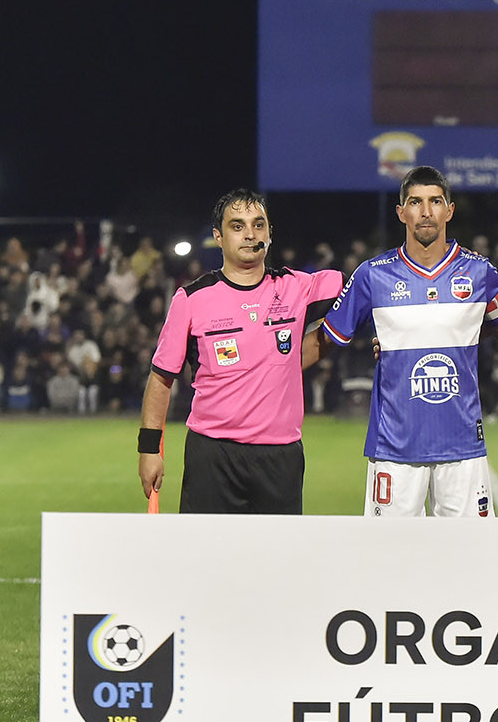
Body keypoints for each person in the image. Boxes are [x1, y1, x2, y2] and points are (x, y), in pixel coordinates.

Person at [313, 165, 498, 517]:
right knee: (391, 562)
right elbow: (325, 339)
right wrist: (265, 369)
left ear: (449, 210)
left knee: (471, 562)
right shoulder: (372, 275)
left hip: (463, 448)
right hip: (394, 450)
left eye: (436, 201)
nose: (426, 211)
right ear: (401, 211)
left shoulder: (480, 272)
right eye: (415, 202)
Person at [138, 188, 345, 513]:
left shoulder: (296, 287)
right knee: (207, 560)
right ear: (218, 237)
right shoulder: (191, 299)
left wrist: (388, 332)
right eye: (237, 226)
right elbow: (161, 379)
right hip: (213, 454)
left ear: (270, 234)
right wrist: (149, 450)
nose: (250, 234)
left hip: (281, 456)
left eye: (258, 225)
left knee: (275, 561)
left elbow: (362, 289)